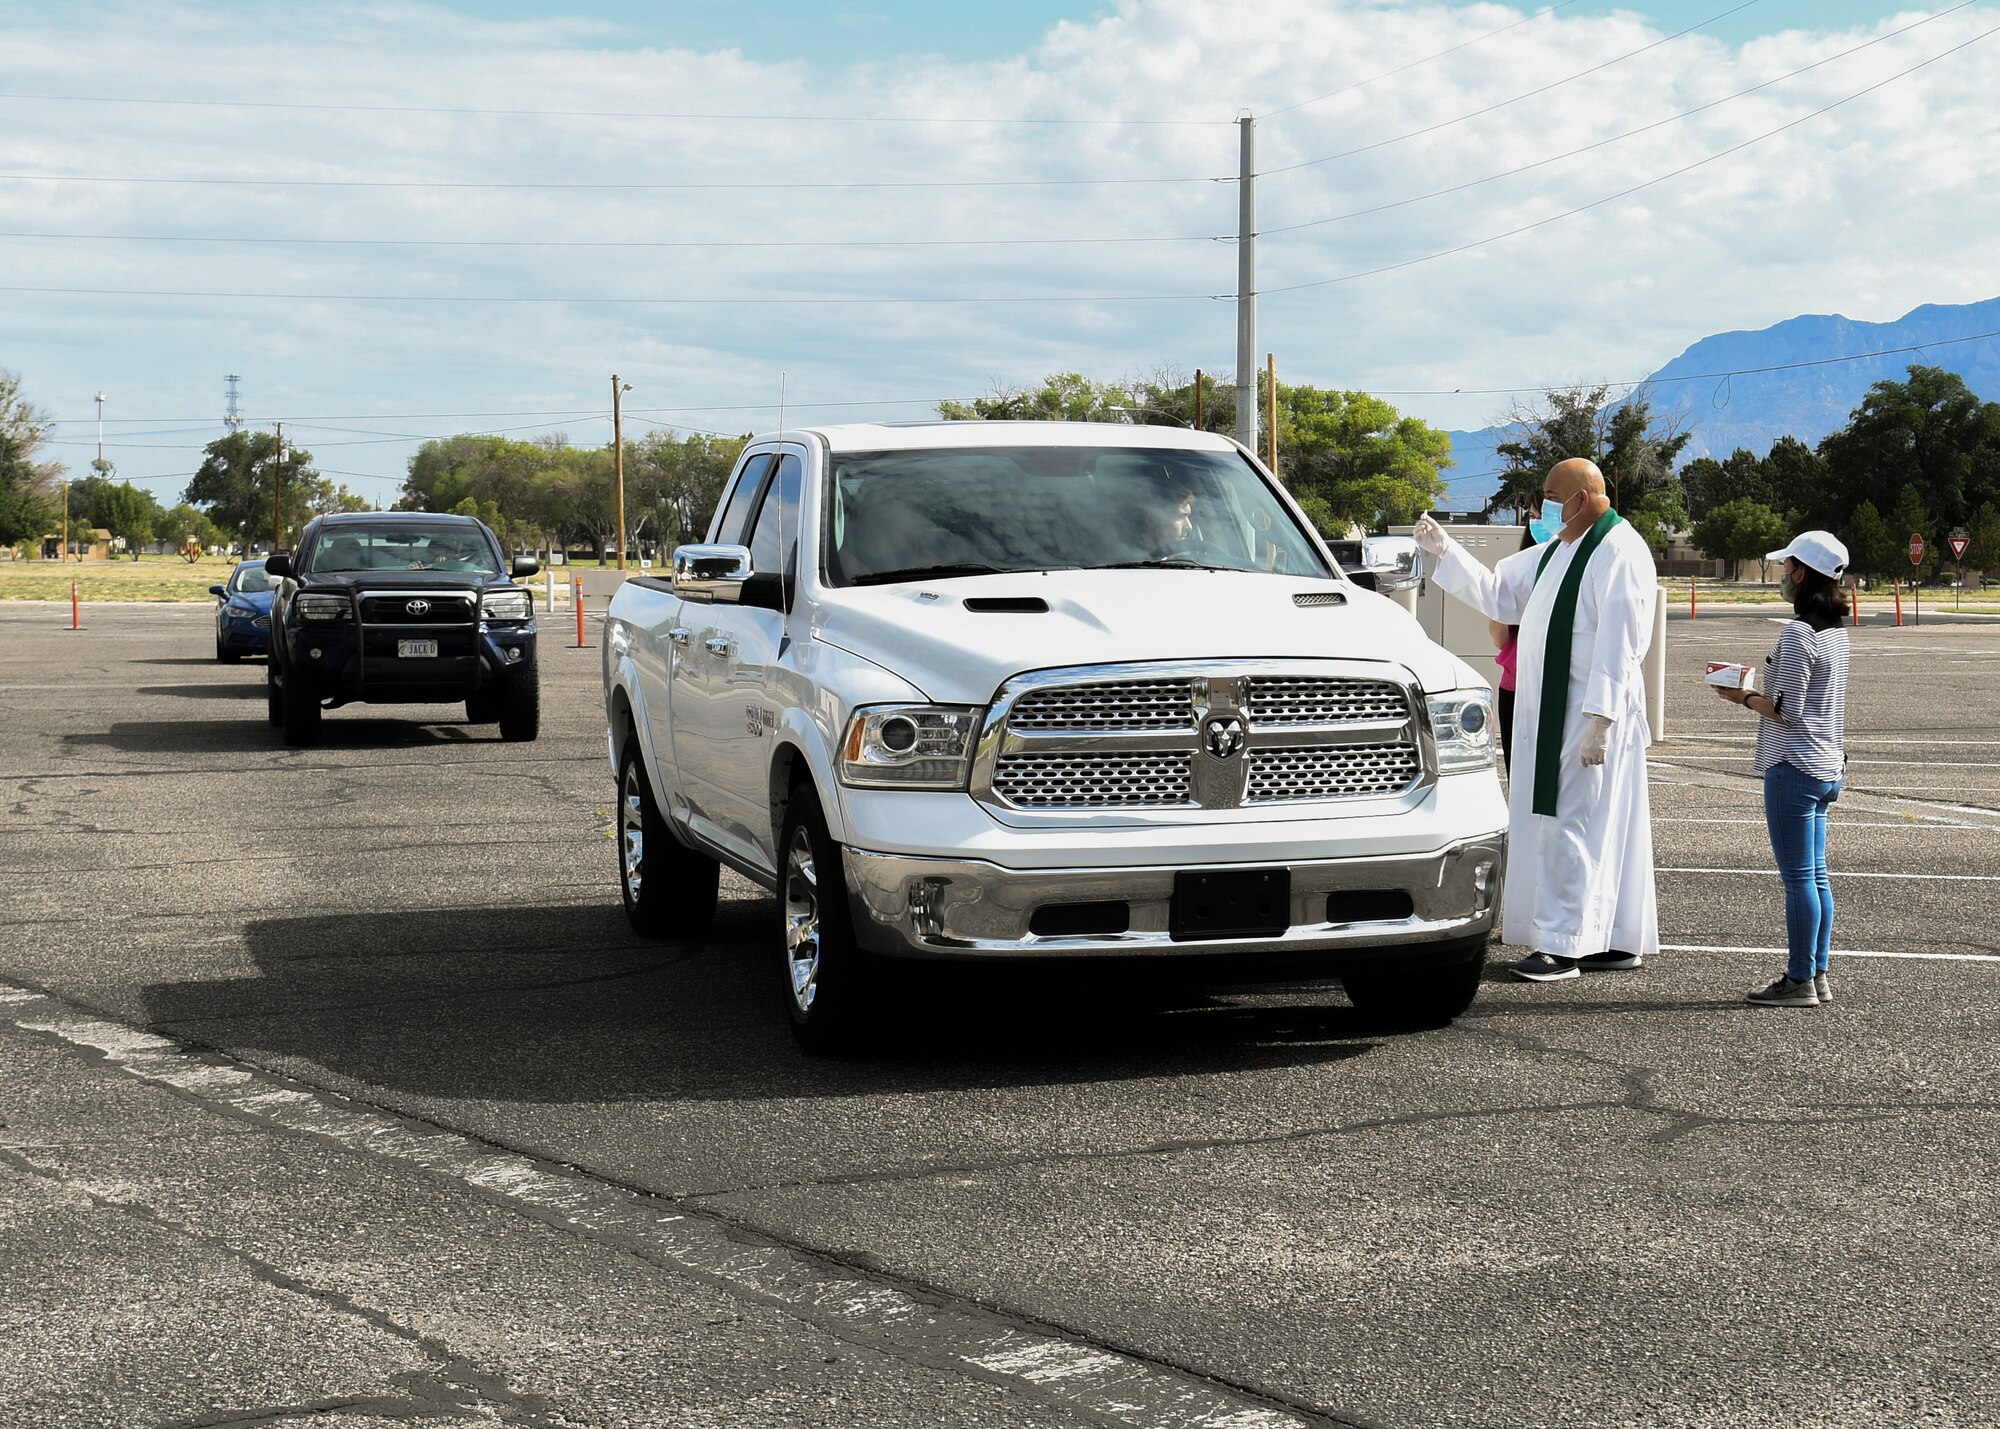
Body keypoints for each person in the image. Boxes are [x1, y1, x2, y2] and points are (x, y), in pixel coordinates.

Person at [1414, 458, 1658, 982]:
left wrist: (1602, 719)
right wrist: (1446, 551)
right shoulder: (1560, 549)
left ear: (1584, 498)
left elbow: (1621, 640)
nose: (1543, 504)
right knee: (1582, 823)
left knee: (1576, 822)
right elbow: (1503, 595)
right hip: (1555, 711)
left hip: (1588, 716)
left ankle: (1564, 945)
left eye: (1552, 494)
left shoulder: (1619, 550)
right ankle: (1610, 937)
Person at [1712, 531, 1850, 1007]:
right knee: (1817, 876)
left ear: (1803, 573)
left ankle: (1798, 980)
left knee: (1798, 880)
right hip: (1826, 762)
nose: (1783, 575)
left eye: (1788, 567)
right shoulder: (1835, 633)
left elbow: (1786, 709)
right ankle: (1817, 972)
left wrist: (1741, 696)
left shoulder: (1798, 633)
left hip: (1793, 764)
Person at [1489, 619, 1519, 769]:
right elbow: (1500, 641)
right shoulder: (1510, 595)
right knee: (1515, 764)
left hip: (1556, 685)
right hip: (1513, 686)